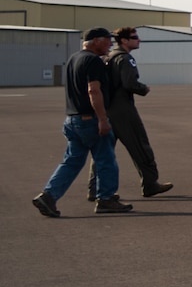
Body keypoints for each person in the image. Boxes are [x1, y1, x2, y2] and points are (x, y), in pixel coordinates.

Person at [30, 27, 133, 217]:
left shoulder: (74, 58)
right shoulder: (93, 61)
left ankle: (48, 196)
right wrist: (102, 119)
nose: (111, 44)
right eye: (107, 40)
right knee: (106, 160)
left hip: (72, 119)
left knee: (72, 161)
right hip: (89, 120)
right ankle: (106, 199)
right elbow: (93, 91)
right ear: (96, 40)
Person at [87, 27, 172, 200]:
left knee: (103, 151)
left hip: (107, 108)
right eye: (134, 37)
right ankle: (150, 184)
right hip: (123, 109)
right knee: (140, 146)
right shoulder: (125, 59)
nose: (138, 40)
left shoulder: (108, 57)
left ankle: (94, 189)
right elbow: (129, 83)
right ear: (124, 40)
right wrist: (143, 88)